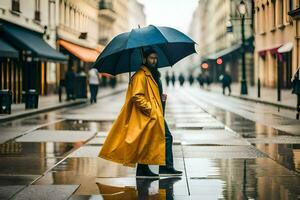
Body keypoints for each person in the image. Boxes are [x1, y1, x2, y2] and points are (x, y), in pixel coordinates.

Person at [98, 48, 182, 177]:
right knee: (165, 137)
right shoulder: (140, 76)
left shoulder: (151, 74)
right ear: (144, 60)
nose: (154, 60)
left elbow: (151, 93)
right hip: (147, 114)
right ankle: (164, 167)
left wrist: (161, 98)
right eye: (151, 58)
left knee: (147, 140)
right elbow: (137, 96)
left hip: (153, 113)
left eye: (155, 58)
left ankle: (146, 169)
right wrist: (151, 109)